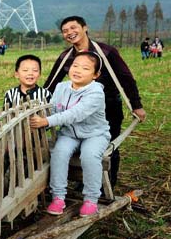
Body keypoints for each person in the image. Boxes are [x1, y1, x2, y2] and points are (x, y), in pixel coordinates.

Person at [44, 16, 146, 188]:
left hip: (108, 107)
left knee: (108, 146)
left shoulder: (107, 52)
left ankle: (107, 184)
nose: (70, 33)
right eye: (65, 31)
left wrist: (136, 105)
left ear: (85, 28)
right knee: (80, 145)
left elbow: (125, 78)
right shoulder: (65, 57)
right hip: (77, 110)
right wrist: (37, 102)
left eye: (73, 28)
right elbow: (51, 84)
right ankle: (85, 180)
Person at [31, 51, 110, 217]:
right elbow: (52, 108)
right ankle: (58, 197)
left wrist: (47, 121)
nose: (78, 70)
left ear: (96, 74)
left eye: (85, 68)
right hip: (69, 133)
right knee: (59, 152)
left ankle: (91, 199)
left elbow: (75, 113)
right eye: (75, 65)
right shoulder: (62, 87)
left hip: (94, 134)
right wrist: (41, 119)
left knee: (89, 156)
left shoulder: (96, 93)